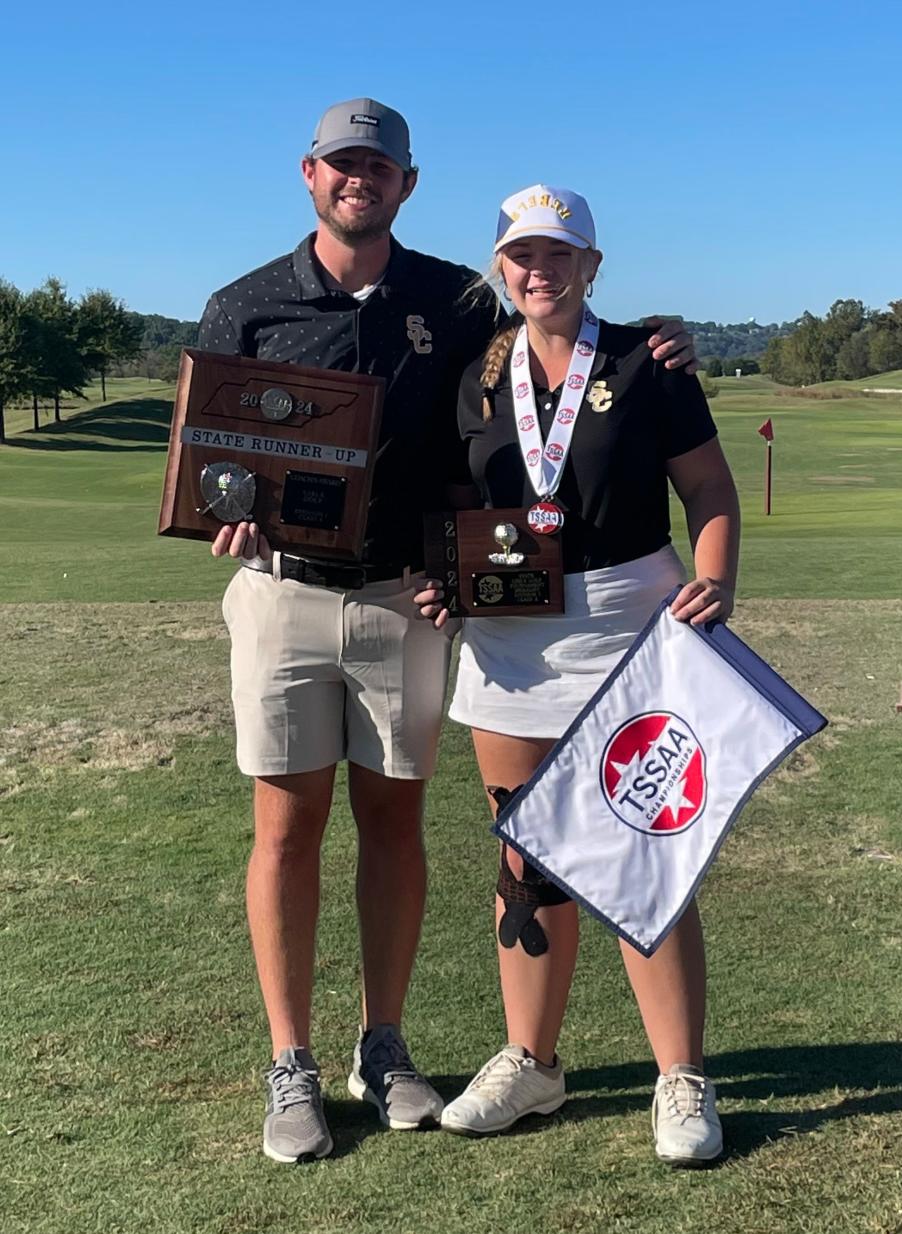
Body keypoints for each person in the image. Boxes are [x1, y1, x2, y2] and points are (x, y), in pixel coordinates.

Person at [197, 103, 698, 1164]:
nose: (357, 179)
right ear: (310, 173)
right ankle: (292, 1062)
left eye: (376, 165)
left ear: (407, 182)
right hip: (280, 590)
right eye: (341, 163)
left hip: (408, 603)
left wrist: (662, 340)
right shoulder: (241, 305)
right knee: (285, 829)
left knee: (397, 825)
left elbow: (558, 332)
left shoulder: (455, 299)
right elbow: (209, 461)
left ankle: (383, 1046)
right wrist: (219, 508)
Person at [414, 184, 739, 1166]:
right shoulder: (476, 373)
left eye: (559, 254)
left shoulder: (651, 361)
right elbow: (457, 501)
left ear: (592, 265)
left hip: (631, 625)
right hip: (511, 638)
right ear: (499, 266)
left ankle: (680, 1075)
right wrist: (445, 579)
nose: (539, 270)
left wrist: (717, 576)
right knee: (527, 860)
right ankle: (533, 1062)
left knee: (646, 851)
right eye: (521, 254)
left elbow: (710, 490)